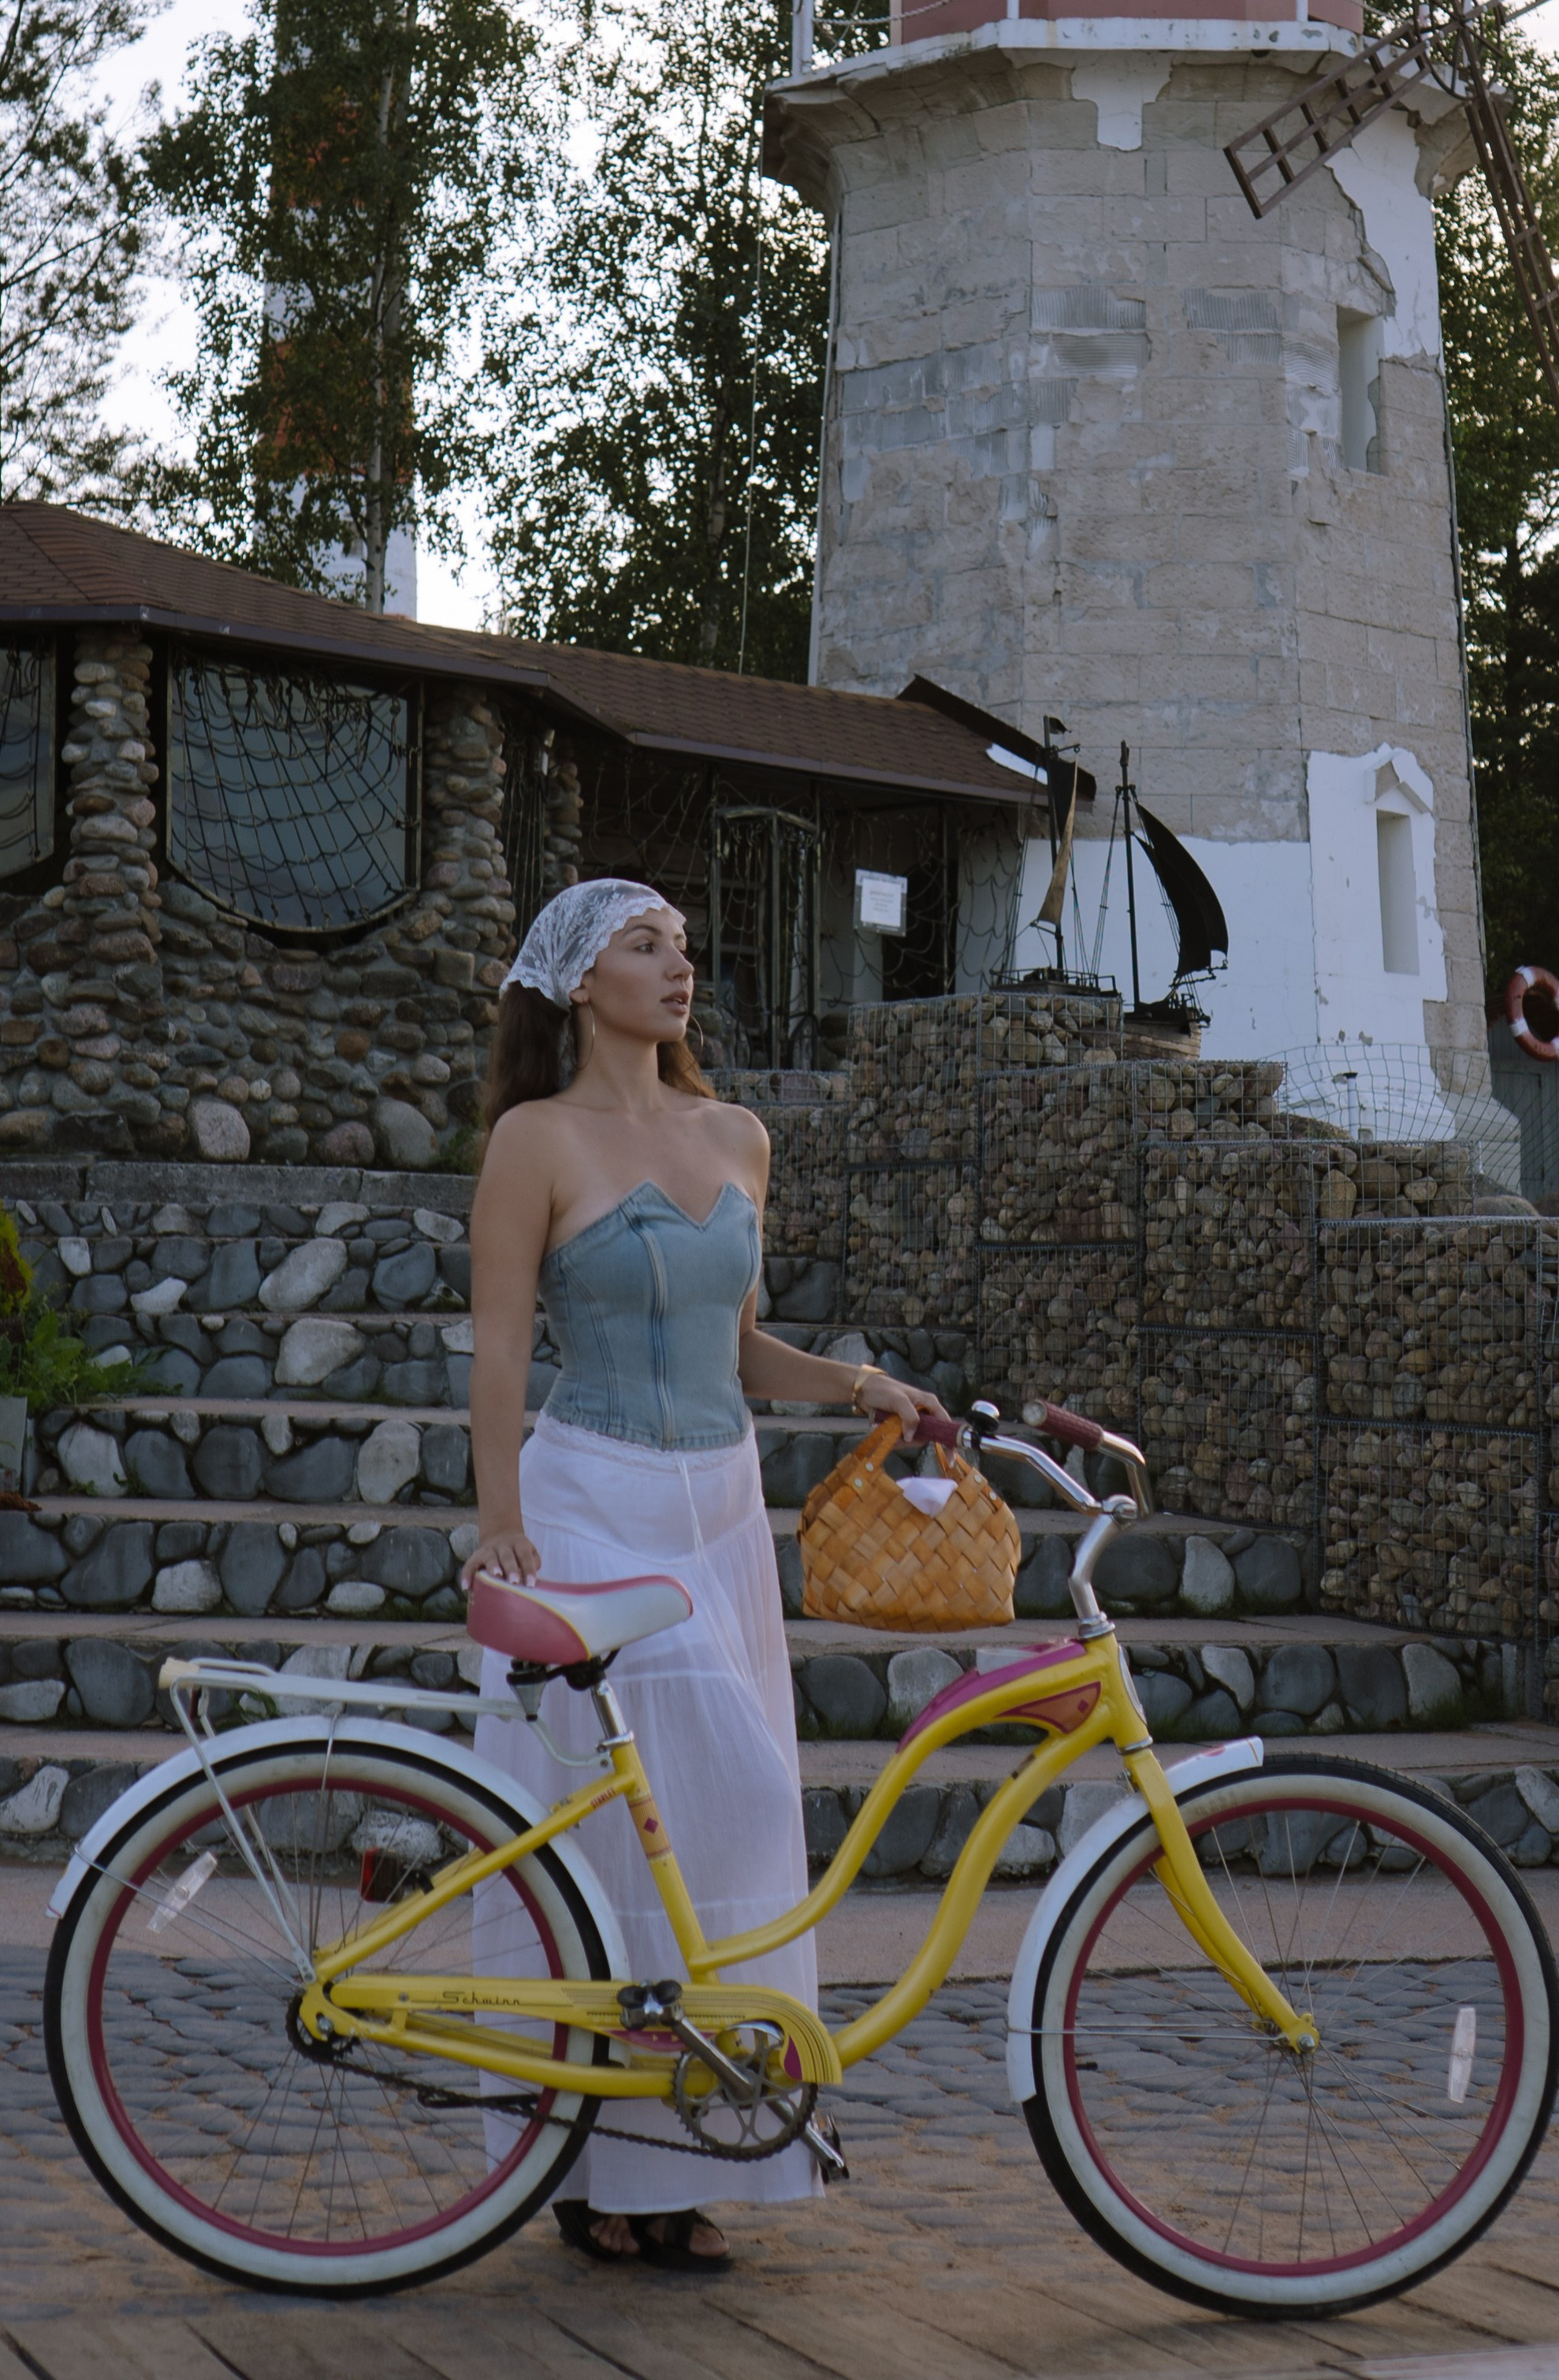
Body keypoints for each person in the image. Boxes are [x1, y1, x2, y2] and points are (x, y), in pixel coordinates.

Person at [463, 878, 941, 2271]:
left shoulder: (740, 1135)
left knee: (727, 1827)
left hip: (722, 1512)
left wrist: (863, 1385)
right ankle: (582, 2155)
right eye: (643, 945)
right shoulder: (533, 1141)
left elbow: (745, 1353)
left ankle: (677, 2156)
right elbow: (500, 1350)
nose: (678, 967)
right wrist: (500, 1514)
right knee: (611, 1830)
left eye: (681, 944)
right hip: (584, 1504)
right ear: (576, 982)